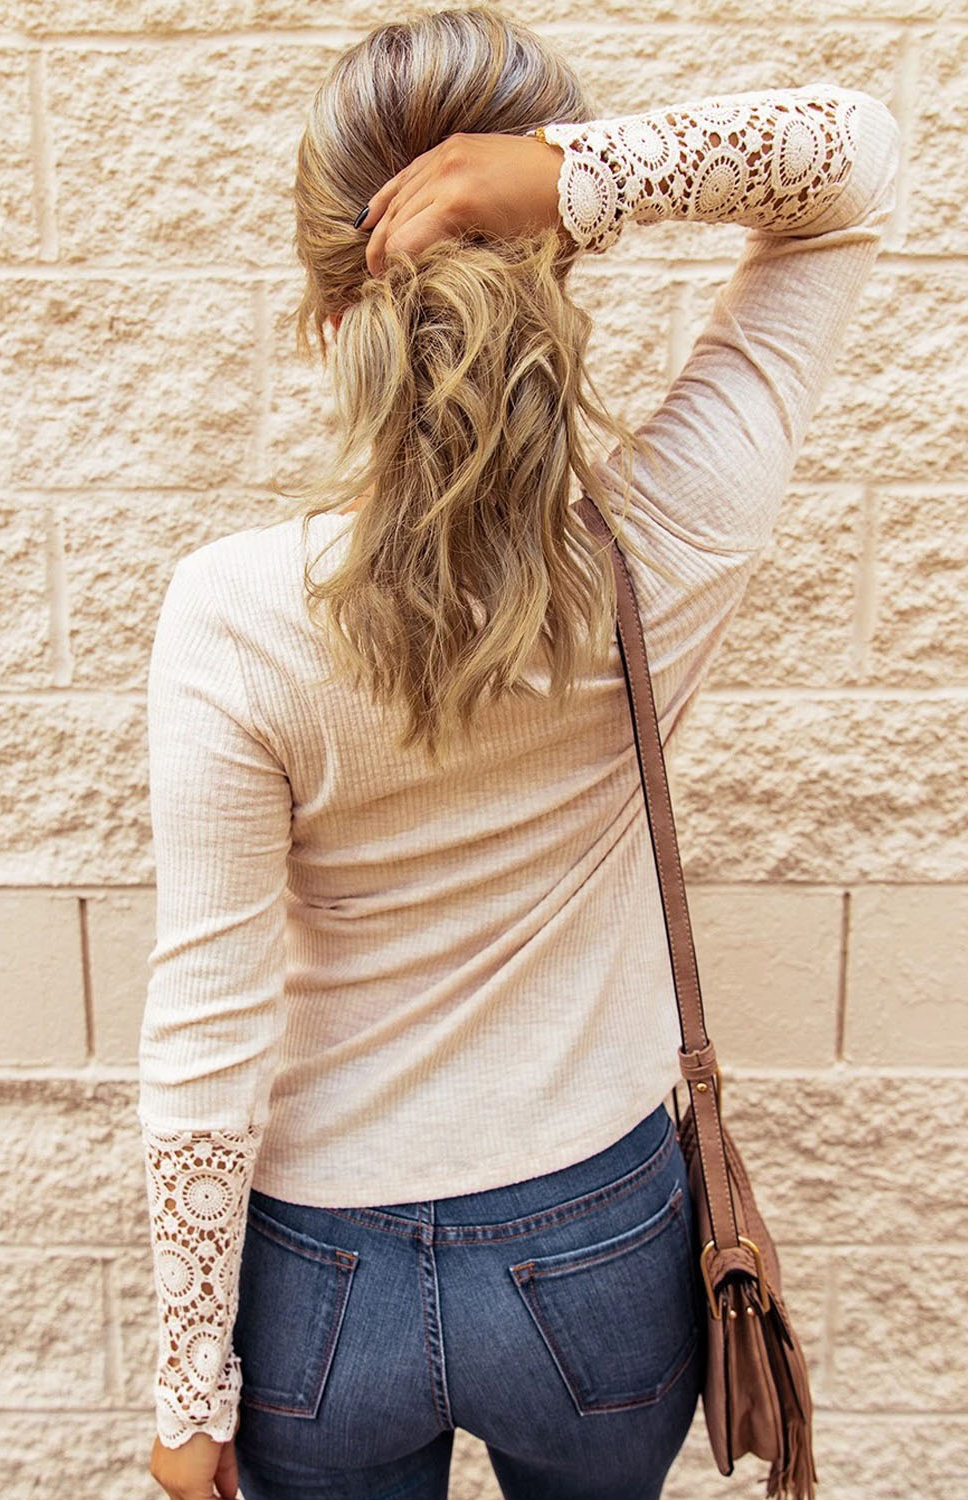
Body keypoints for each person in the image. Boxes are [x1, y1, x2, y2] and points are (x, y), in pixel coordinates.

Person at [138, 6, 901, 1499]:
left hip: (317, 1272)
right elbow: (854, 167)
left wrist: (183, 1380)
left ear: (320, 303)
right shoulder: (667, 536)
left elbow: (204, 1021)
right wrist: (575, 175)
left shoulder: (230, 616)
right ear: (559, 266)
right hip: (596, 1241)